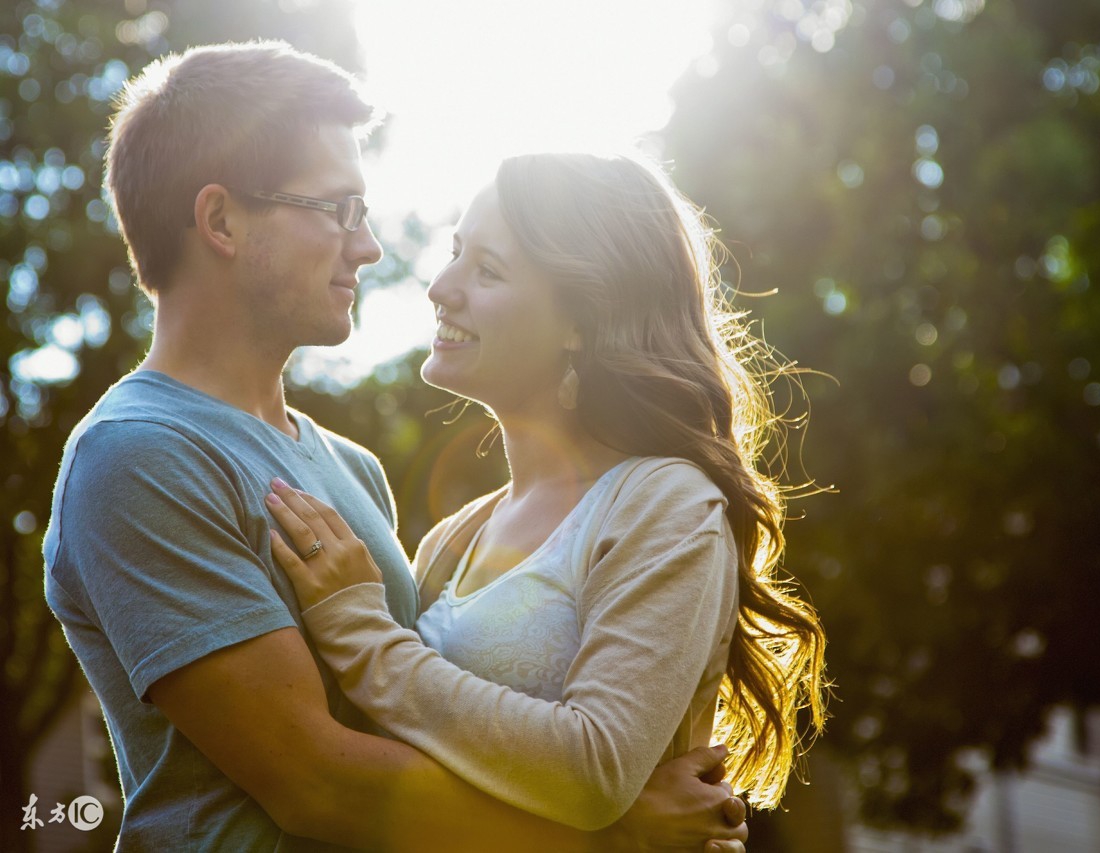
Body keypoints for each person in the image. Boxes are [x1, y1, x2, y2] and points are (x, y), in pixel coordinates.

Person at [43, 42, 747, 851]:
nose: (369, 245)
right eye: (339, 209)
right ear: (221, 220)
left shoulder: (353, 469)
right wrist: (612, 837)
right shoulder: (138, 455)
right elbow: (318, 783)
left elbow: (424, 731)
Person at [263, 152, 829, 828]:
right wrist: (623, 830)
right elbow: (409, 763)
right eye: (454, 254)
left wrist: (362, 633)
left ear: (580, 321)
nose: (441, 287)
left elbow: (593, 771)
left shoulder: (667, 505)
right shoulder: (453, 539)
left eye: (488, 270)